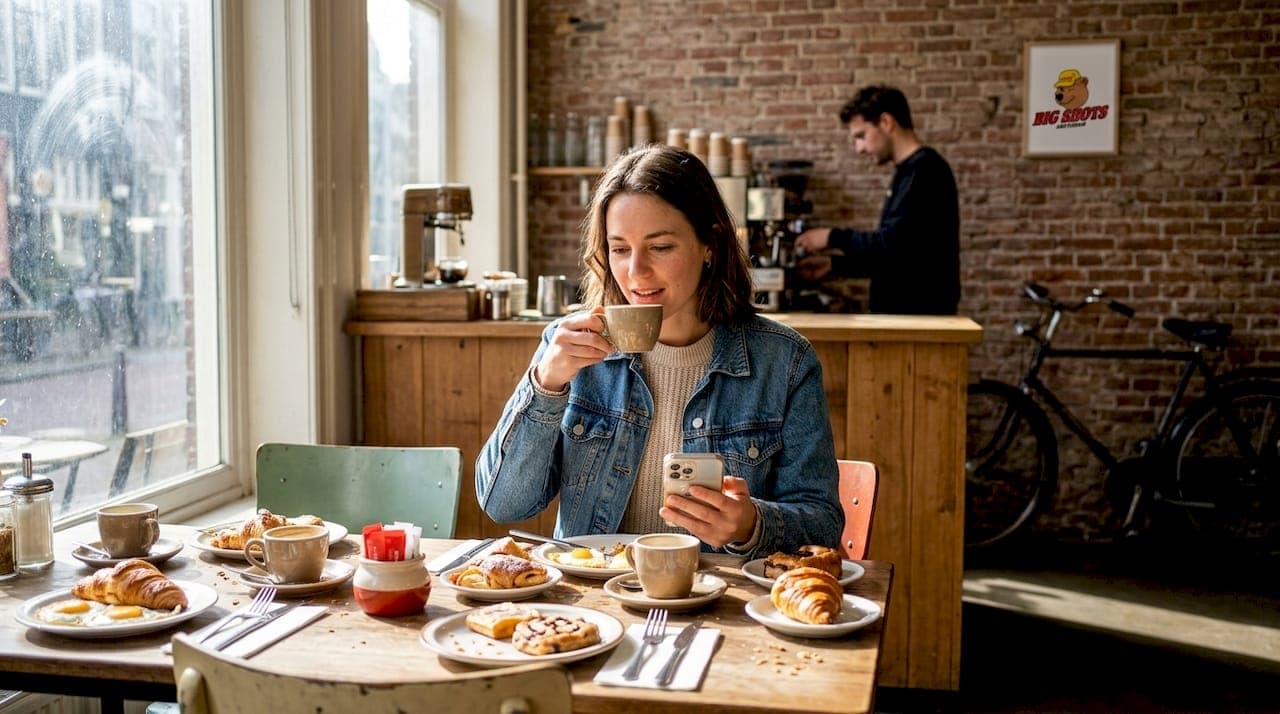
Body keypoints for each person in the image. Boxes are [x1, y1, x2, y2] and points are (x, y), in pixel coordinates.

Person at [477, 144, 843, 555]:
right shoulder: (569, 349)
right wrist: (545, 386)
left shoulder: (785, 362)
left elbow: (822, 526)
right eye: (619, 249)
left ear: (710, 244)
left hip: (719, 606)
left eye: (660, 247)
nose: (636, 272)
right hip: (596, 604)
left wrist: (751, 525)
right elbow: (504, 504)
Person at [795, 85, 960, 315]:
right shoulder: (908, 172)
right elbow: (898, 256)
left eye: (861, 136)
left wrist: (832, 237)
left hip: (919, 322)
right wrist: (834, 265)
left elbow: (891, 244)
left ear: (886, 122)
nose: (859, 149)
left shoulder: (926, 170)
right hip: (907, 320)